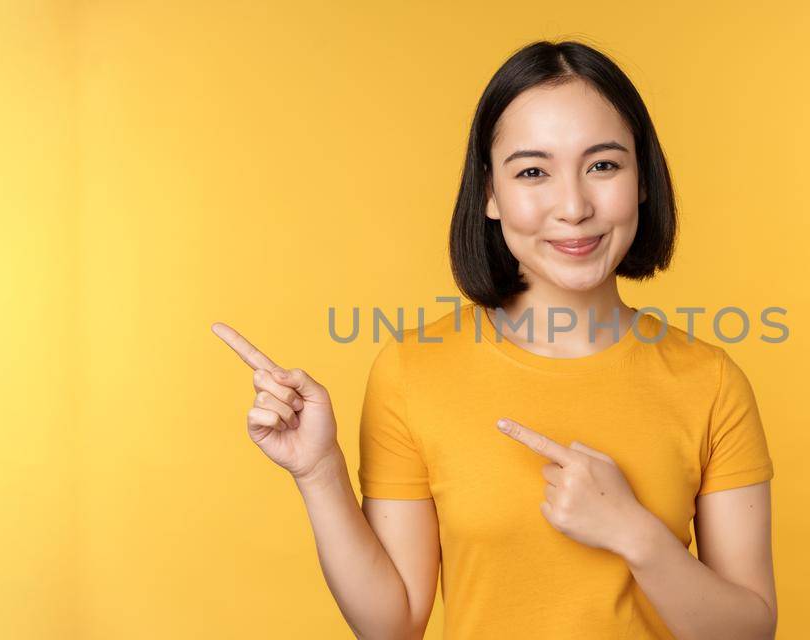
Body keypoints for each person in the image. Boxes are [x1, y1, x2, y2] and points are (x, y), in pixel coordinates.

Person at [213, 40, 776, 639]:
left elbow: (749, 632)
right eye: (533, 171)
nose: (573, 206)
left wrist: (634, 535)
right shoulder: (411, 372)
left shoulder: (709, 381)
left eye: (603, 165)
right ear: (489, 193)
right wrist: (319, 471)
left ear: (642, 179)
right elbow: (392, 626)